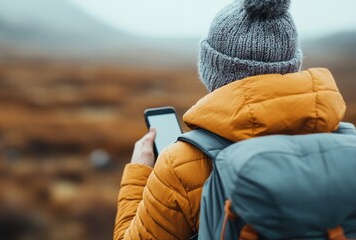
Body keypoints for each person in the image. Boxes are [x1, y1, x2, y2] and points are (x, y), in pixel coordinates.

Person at [113, 0, 347, 239]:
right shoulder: (341, 141)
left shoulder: (180, 165)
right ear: (293, 67)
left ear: (212, 71)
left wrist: (139, 173)